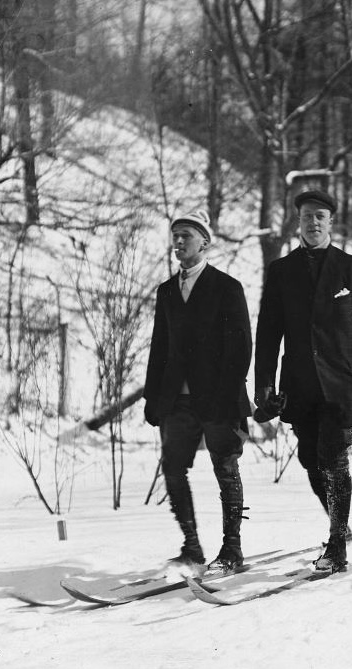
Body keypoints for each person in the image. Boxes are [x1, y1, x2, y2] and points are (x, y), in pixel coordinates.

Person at [254, 189, 352, 572]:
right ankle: (340, 520)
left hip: (344, 384)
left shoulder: (351, 268)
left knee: (332, 458)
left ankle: (336, 544)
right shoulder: (281, 272)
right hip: (300, 386)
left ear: (331, 222)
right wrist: (263, 384)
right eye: (307, 215)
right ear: (298, 222)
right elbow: (269, 331)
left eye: (321, 216)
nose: (314, 222)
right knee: (310, 458)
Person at [142, 209, 253, 576]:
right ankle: (191, 547)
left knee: (225, 468)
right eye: (175, 235)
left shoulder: (226, 287)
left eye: (186, 235)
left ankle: (232, 549)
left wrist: (228, 396)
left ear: (204, 242)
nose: (178, 242)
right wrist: (153, 398)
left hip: (219, 398)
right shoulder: (167, 291)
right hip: (178, 400)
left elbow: (241, 348)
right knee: (173, 470)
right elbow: (160, 347)